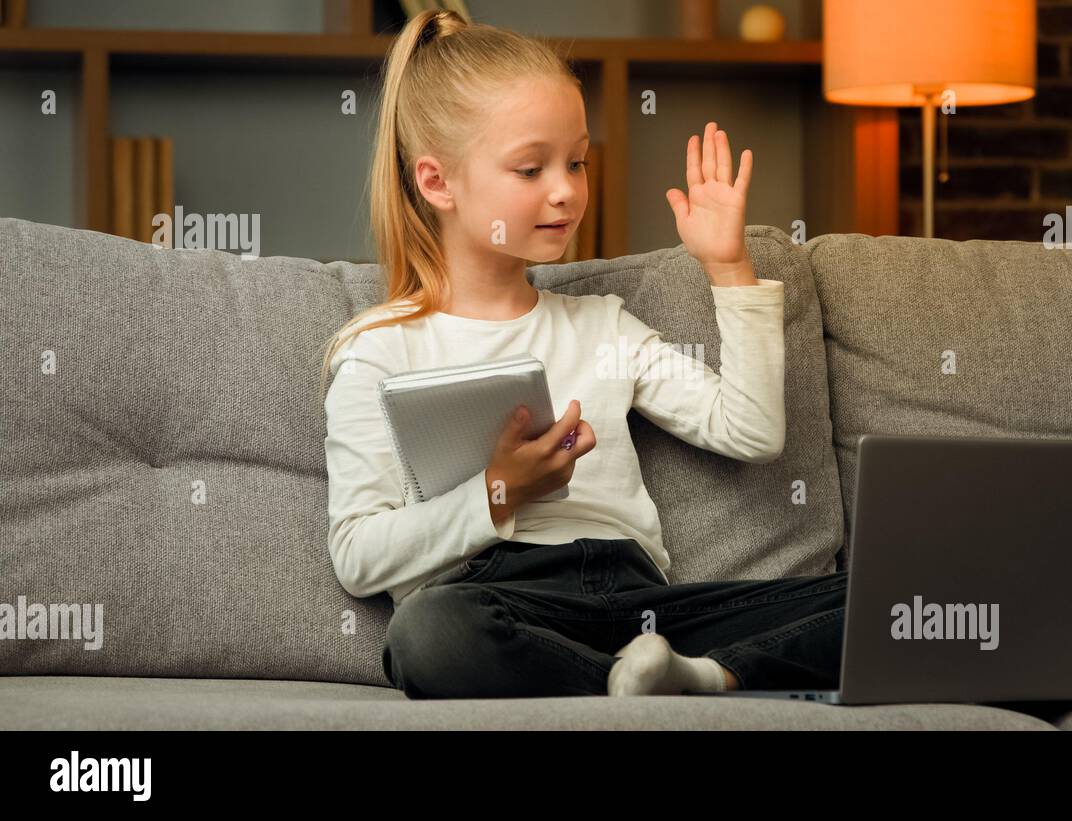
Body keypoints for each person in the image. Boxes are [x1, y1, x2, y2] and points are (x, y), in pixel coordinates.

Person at [319, 9, 845, 699]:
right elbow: (359, 556)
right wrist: (498, 490)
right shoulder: (379, 350)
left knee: (893, 602)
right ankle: (655, 685)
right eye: (531, 167)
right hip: (503, 602)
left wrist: (728, 267)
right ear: (437, 182)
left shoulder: (604, 327)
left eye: (577, 161)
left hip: (641, 607)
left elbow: (750, 429)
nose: (566, 189)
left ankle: (686, 673)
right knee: (426, 633)